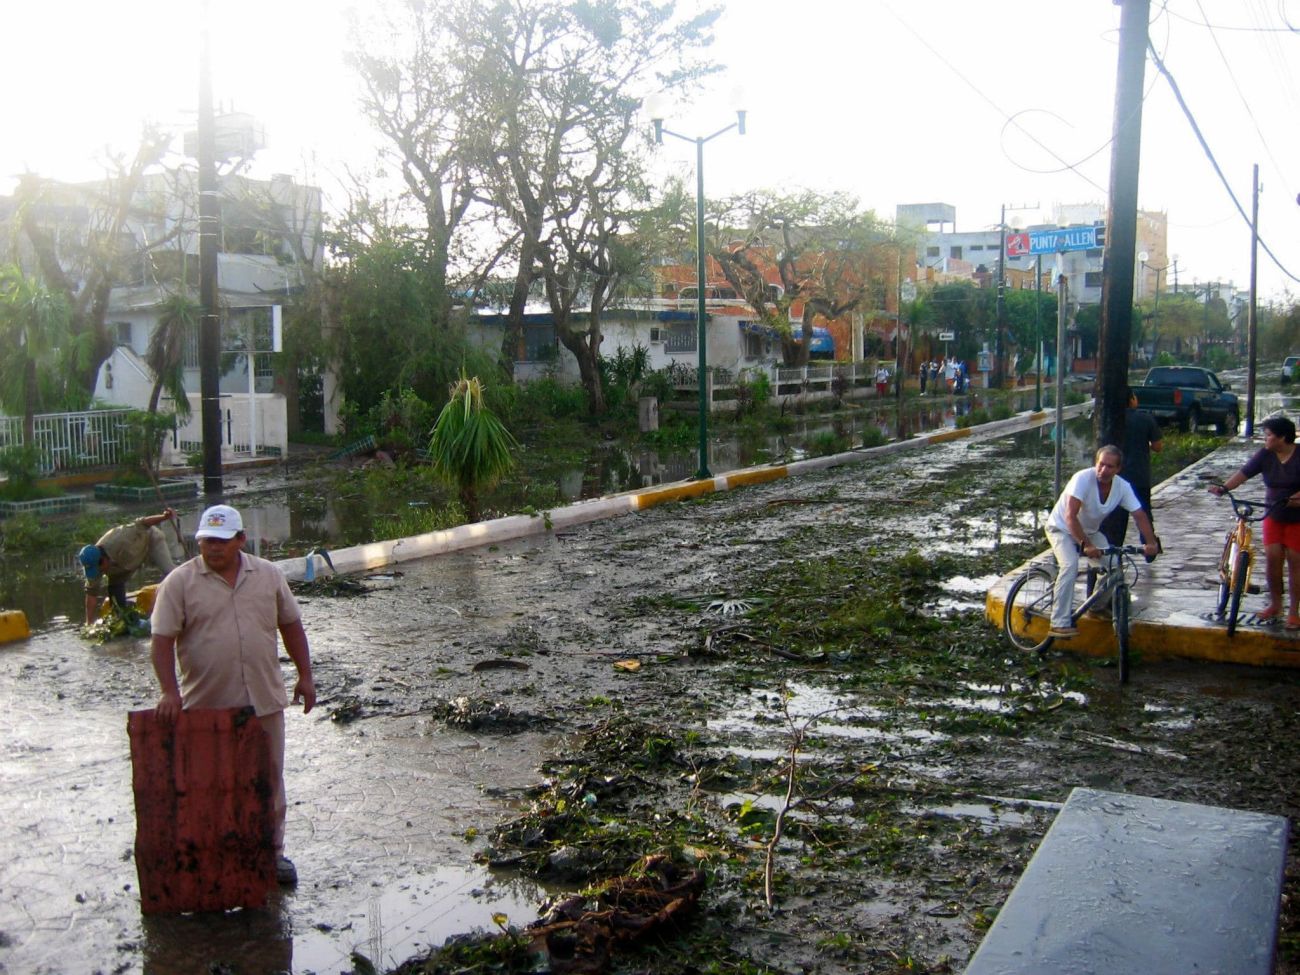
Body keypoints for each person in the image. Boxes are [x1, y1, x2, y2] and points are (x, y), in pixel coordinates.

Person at [149, 504, 316, 886]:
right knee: (210, 783)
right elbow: (161, 642)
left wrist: (305, 676)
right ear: (200, 542)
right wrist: (168, 692)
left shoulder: (268, 576)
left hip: (264, 699)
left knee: (268, 781)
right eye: (208, 541)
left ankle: (272, 855)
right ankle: (216, 854)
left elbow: (291, 626)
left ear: (241, 540)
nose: (215, 548)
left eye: (223, 541)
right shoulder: (179, 582)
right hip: (207, 703)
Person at [1045, 446, 1158, 637]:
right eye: (1101, 464)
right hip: (1062, 528)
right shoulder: (1082, 479)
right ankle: (1059, 621)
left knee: (1114, 566)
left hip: (1090, 531)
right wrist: (1087, 545)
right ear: (1095, 463)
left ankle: (1096, 606)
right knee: (1070, 565)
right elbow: (1070, 516)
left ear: (1118, 469)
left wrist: (1151, 542)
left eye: (1110, 467)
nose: (1103, 470)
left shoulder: (1122, 487)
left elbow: (1139, 515)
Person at [1207, 415, 1300, 627]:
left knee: (1295, 564)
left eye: (1268, 435)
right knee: (1272, 561)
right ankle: (1276, 604)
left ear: (1282, 437)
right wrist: (1224, 489)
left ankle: (1294, 610)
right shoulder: (1265, 455)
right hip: (1273, 514)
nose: (1265, 439)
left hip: (1297, 518)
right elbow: (1244, 473)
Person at [80, 509, 177, 625]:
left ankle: (177, 605)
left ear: (103, 560)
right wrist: (88, 623)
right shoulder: (94, 562)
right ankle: (121, 617)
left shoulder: (121, 538)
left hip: (149, 541)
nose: (99, 572)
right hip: (126, 562)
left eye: (99, 568)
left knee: (171, 574)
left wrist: (164, 517)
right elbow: (91, 594)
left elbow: (142, 523)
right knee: (115, 589)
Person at [1101, 389, 1164, 547]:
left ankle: (1115, 552)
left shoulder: (1111, 419)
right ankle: (1149, 543)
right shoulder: (1145, 418)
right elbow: (1158, 446)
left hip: (1115, 478)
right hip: (1140, 476)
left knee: (1117, 518)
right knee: (1143, 512)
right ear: (1131, 400)